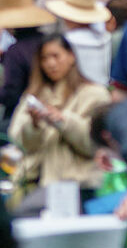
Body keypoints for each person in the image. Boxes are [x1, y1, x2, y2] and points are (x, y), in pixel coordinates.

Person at [7, 27, 110, 202]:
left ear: (72, 56)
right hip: (33, 180)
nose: (50, 64)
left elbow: (96, 144)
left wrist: (63, 121)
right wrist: (34, 125)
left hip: (77, 182)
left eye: (56, 56)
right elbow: (18, 141)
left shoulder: (95, 95)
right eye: (44, 58)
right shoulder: (33, 96)